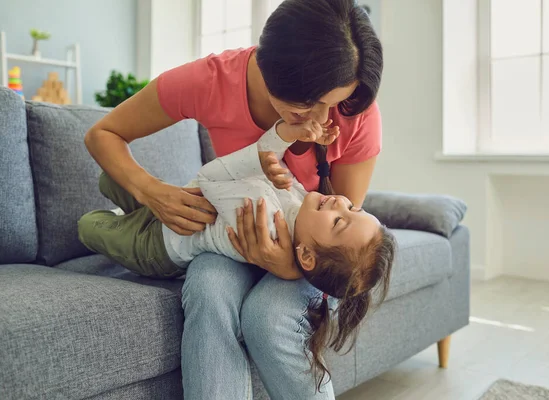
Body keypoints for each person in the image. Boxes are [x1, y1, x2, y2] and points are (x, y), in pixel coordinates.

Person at [83, 0, 384, 397]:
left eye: (335, 103)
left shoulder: (354, 109)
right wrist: (151, 191)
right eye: (308, 104)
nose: (325, 119)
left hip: (310, 256)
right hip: (226, 241)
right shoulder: (210, 81)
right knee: (209, 287)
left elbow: (338, 242)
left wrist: (289, 267)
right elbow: (102, 133)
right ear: (268, 68)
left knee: (268, 316)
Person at [79, 119, 395, 389]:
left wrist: (273, 147)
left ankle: (119, 218)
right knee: (111, 176)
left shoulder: (265, 222)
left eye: (339, 221)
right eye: (352, 207)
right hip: (173, 205)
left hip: (158, 245)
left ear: (308, 256)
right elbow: (264, 168)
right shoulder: (301, 205)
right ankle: (127, 210)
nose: (338, 201)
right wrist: (284, 142)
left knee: (88, 225)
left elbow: (212, 178)